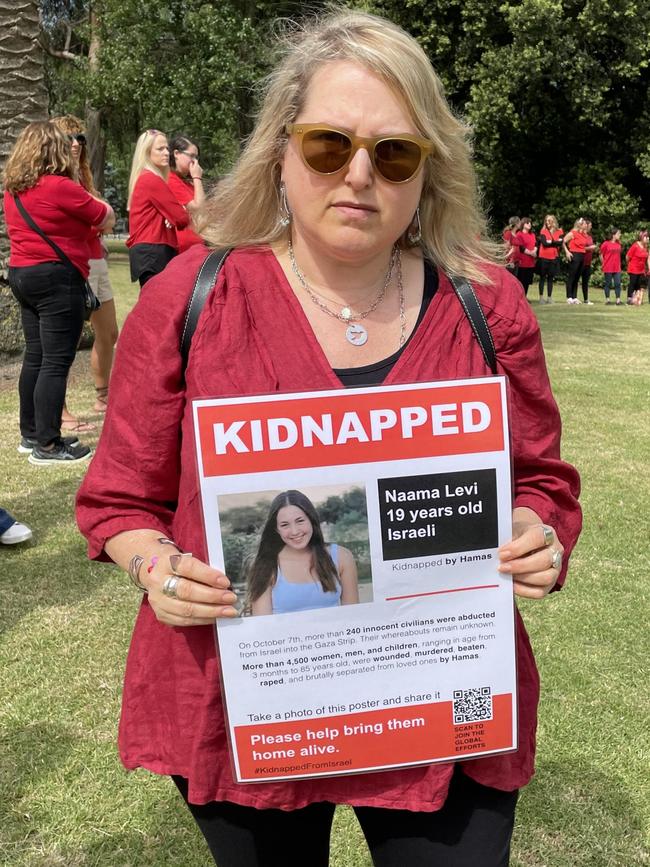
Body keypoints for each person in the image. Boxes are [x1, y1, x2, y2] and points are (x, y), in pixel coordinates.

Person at [76, 10, 581, 866]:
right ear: (279, 150)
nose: (358, 175)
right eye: (326, 145)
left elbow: (541, 479)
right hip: (246, 707)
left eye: (393, 153)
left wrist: (539, 533)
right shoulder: (189, 302)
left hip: (438, 698)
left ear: (427, 172)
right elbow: (120, 497)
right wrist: (156, 567)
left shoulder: (486, 307)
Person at [4, 121, 114, 465]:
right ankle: (48, 445)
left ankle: (31, 432)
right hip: (57, 277)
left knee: (35, 357)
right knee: (55, 361)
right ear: (53, 149)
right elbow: (106, 215)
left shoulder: (13, 190)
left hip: (22, 275)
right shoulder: (60, 188)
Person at [51, 115, 119, 418]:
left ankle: (103, 397)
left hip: (96, 260)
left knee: (109, 332)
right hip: (73, 263)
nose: (77, 144)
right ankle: (59, 408)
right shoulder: (57, 179)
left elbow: (101, 218)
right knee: (66, 337)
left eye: (81, 138)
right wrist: (98, 219)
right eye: (70, 138)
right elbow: (90, 220)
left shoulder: (82, 176)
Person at [245, 490, 359, 615]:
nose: (294, 531)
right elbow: (263, 628)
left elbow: (353, 617)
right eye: (284, 525)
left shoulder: (342, 557)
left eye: (300, 521)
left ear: (311, 519)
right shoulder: (265, 565)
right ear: (276, 529)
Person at [126, 129, 191, 287]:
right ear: (147, 153)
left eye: (167, 148)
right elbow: (182, 218)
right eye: (160, 149)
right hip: (154, 252)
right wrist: (177, 212)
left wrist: (171, 215)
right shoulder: (151, 180)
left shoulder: (144, 178)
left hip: (149, 252)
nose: (166, 153)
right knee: (156, 307)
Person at [167, 134, 206, 252]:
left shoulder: (187, 183)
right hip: (181, 250)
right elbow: (198, 207)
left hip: (195, 248)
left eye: (197, 157)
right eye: (191, 156)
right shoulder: (170, 179)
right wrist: (197, 178)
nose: (195, 161)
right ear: (176, 154)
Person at [537, 214, 563, 303]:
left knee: (550, 278)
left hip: (554, 257)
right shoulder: (543, 231)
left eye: (550, 220)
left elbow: (560, 243)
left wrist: (551, 242)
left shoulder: (559, 231)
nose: (548, 222)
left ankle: (549, 297)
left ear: (554, 221)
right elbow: (544, 243)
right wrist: (554, 242)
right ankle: (541, 297)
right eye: (547, 220)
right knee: (542, 277)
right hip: (543, 257)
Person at [563, 217, 588, 304]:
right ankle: (569, 296)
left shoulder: (584, 235)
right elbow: (563, 241)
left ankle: (574, 296)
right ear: (580, 225)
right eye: (584, 223)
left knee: (577, 277)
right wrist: (567, 252)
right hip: (574, 254)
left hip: (582, 255)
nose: (586, 225)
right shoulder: (572, 233)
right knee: (572, 276)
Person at [512, 217, 537, 296]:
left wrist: (535, 251)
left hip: (531, 262)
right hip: (522, 262)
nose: (530, 224)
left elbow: (536, 244)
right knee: (521, 281)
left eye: (530, 223)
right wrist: (531, 253)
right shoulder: (519, 234)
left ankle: (524, 297)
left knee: (527, 281)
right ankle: (519, 297)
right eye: (527, 223)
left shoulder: (532, 234)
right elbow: (521, 247)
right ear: (523, 224)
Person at [625, 230, 649, 305]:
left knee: (639, 284)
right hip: (633, 269)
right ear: (642, 237)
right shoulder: (635, 245)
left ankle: (636, 299)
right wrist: (630, 264)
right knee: (633, 283)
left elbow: (646, 258)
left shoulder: (646, 247)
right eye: (646, 237)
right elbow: (627, 257)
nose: (648, 239)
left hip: (641, 270)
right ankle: (629, 299)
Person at [599, 228, 623, 305]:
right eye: (618, 234)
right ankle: (607, 299)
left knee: (618, 283)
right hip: (608, 267)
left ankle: (618, 300)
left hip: (617, 267)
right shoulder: (606, 243)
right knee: (608, 284)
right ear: (613, 235)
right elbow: (600, 254)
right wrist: (603, 263)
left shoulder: (619, 244)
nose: (620, 235)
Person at [580, 219, 597, 305]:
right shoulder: (581, 235)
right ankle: (572, 297)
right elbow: (579, 248)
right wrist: (590, 248)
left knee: (585, 281)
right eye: (590, 225)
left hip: (588, 262)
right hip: (581, 261)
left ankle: (586, 299)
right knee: (575, 279)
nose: (590, 227)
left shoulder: (589, 237)